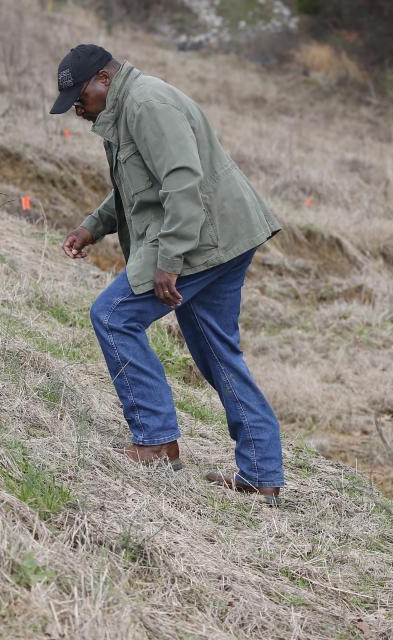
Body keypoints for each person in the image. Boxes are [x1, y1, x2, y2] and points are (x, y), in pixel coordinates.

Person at [50, 44, 284, 503]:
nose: (79, 108)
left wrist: (169, 263)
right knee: (217, 352)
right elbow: (140, 188)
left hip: (205, 240)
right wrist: (93, 226)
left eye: (81, 97)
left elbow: (182, 183)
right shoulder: (128, 106)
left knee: (114, 316)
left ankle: (156, 442)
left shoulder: (146, 105)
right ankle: (261, 474)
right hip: (223, 235)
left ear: (103, 79)